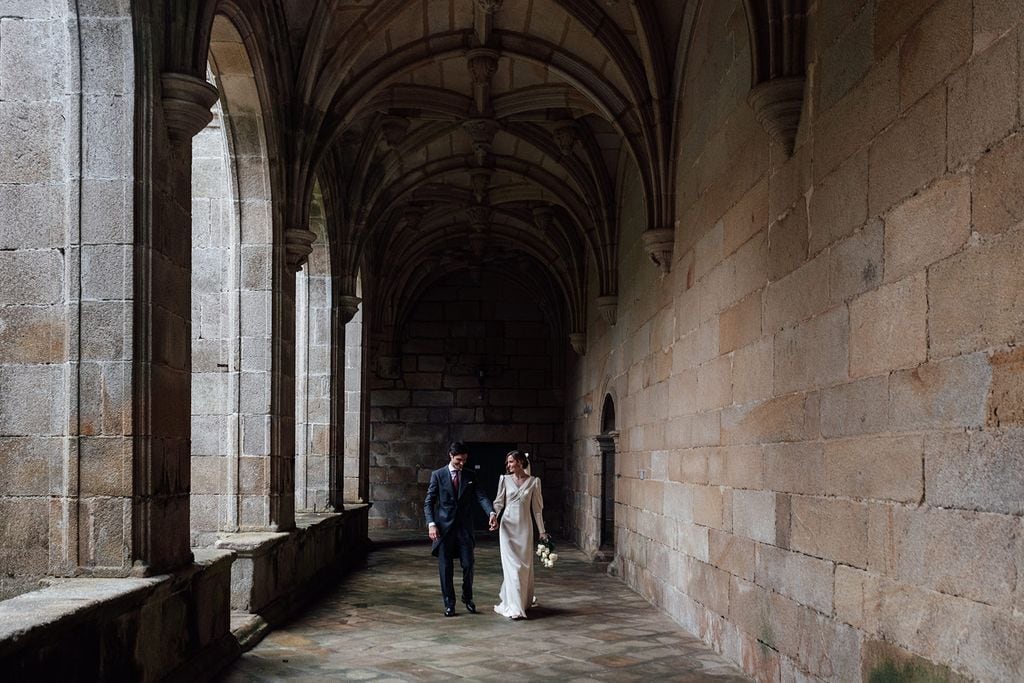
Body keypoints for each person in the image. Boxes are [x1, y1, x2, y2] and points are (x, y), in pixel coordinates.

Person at [423, 441, 497, 617]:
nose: (462, 464)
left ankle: (467, 596)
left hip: (464, 529)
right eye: (458, 460)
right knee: (445, 568)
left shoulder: (471, 475)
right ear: (450, 456)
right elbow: (428, 503)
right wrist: (431, 524)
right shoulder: (438, 475)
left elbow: (481, 496)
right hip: (443, 530)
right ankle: (449, 603)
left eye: (464, 460)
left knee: (468, 564)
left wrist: (491, 513)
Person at [492, 450, 550, 620]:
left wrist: (542, 531)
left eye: (511, 462)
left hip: (524, 528)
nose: (508, 465)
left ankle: (522, 601)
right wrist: (493, 516)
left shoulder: (534, 482)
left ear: (519, 462)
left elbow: (537, 510)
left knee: (523, 567)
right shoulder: (504, 480)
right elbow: (498, 502)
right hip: (507, 527)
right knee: (512, 567)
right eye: (507, 462)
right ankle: (515, 607)